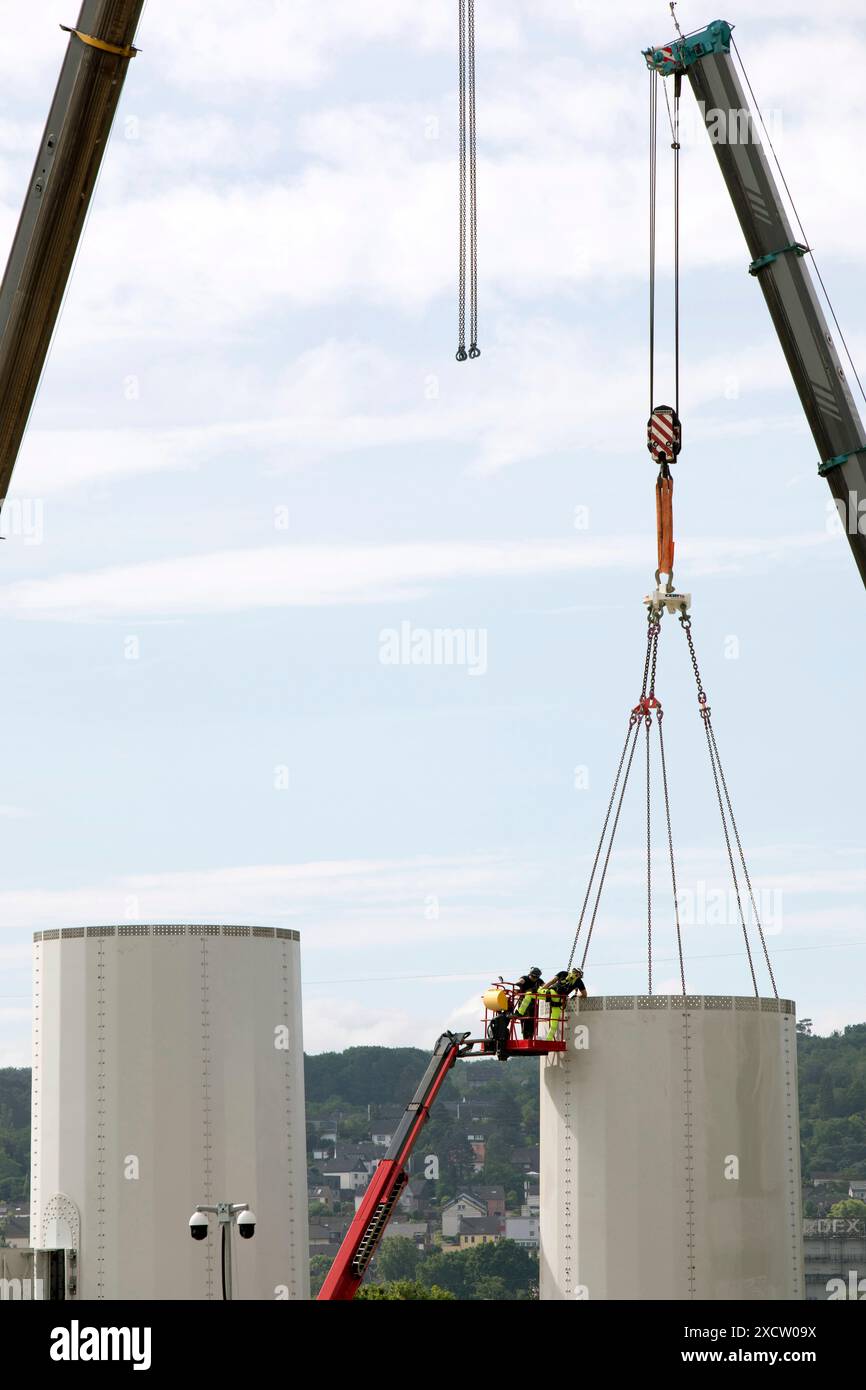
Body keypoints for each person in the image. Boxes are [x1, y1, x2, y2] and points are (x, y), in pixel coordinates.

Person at [541, 967, 587, 1041]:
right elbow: (584, 995)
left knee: (530, 994)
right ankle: (548, 1039)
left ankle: (520, 1012)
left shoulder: (563, 973)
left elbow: (552, 981)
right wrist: (575, 996)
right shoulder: (579, 981)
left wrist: (542, 989)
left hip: (552, 993)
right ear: (579, 975)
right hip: (559, 1000)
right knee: (554, 1022)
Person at [514, 966, 544, 1039]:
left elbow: (545, 986)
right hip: (523, 1004)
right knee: (525, 1020)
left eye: (536, 977)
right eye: (533, 977)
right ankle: (526, 1036)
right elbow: (521, 981)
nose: (534, 979)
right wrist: (519, 983)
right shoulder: (525, 978)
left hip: (533, 1004)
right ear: (530, 974)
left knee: (533, 1020)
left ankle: (531, 1036)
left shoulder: (539, 981)